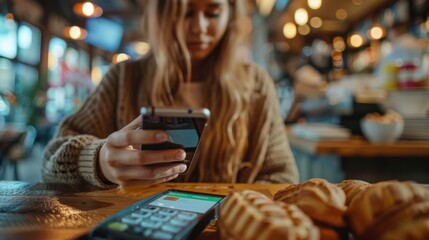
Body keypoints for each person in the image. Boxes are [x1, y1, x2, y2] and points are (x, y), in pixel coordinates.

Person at [42, 0, 298, 188]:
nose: (199, 27)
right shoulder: (124, 78)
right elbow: (52, 157)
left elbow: (282, 177)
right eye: (185, 12)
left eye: (212, 12)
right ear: (162, 15)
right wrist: (98, 161)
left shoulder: (255, 84)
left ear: (230, 15)